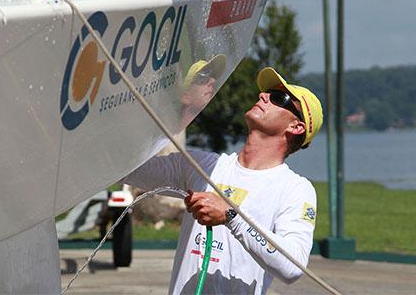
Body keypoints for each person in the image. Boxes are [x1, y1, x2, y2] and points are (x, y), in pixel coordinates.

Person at [122, 67, 323, 295]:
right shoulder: (202, 165)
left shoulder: (295, 189)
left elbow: (292, 267)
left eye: (279, 97)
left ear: (296, 127)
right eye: (266, 92)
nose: (262, 96)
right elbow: (124, 169)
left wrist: (231, 216)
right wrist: (172, 108)